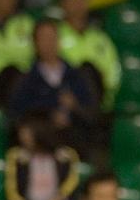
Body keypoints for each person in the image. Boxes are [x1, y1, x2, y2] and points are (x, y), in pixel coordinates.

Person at [9, 19, 99, 160]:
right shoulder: (26, 80)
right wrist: (48, 117)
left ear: (59, 40)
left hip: (74, 143)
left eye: (52, 37)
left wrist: (75, 106)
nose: (48, 43)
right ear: (35, 43)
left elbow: (92, 116)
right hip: (39, 145)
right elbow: (17, 117)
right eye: (43, 38)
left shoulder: (78, 76)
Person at [4, 113, 80, 200]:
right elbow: (12, 192)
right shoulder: (16, 156)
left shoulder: (66, 156)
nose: (23, 137)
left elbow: (71, 185)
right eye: (21, 132)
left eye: (27, 133)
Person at [57, 0, 121, 110]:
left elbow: (113, 74)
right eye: (73, 0)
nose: (78, 4)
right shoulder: (54, 35)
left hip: (95, 106)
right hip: (61, 105)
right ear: (63, 4)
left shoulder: (101, 39)